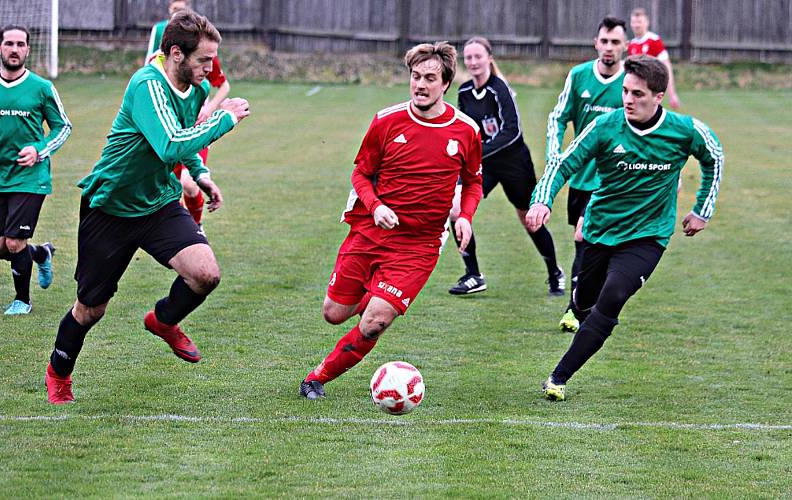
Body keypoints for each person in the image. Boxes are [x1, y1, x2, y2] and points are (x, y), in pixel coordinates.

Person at [44, 10, 250, 404]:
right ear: (176, 53)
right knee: (90, 310)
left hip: (158, 202)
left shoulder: (198, 89)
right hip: (111, 208)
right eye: (204, 60)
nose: (212, 68)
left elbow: (186, 140)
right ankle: (59, 371)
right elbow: (170, 143)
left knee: (205, 274)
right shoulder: (146, 84)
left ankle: (164, 320)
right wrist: (225, 120)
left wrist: (200, 174)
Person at [526, 55, 723, 401]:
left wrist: (701, 210)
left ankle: (558, 376)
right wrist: (543, 200)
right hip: (601, 230)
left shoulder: (684, 130)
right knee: (584, 300)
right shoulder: (606, 126)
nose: (628, 100)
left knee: (614, 295)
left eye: (638, 94)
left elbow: (714, 156)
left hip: (648, 236)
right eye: (626, 92)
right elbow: (564, 164)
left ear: (658, 96)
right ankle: (578, 308)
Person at [299, 42, 483, 400]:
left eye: (430, 78)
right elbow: (360, 174)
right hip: (370, 231)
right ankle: (374, 292)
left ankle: (316, 378)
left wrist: (466, 217)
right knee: (334, 314)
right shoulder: (387, 120)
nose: (421, 85)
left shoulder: (465, 130)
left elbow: (474, 180)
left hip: (420, 244)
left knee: (375, 322)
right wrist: (375, 205)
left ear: (445, 83)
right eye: (416, 76)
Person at [446, 36, 563, 296]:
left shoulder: (500, 90)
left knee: (529, 220)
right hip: (483, 165)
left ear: (489, 58)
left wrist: (477, 152)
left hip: (513, 163)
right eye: (469, 57)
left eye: (478, 56)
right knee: (455, 208)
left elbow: (512, 131)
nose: (474, 62)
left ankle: (554, 272)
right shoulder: (465, 92)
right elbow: (464, 129)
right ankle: (473, 274)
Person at [546, 16, 628, 332]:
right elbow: (557, 117)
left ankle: (575, 310)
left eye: (615, 42)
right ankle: (589, 306)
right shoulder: (579, 76)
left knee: (589, 242)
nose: (609, 48)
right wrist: (555, 155)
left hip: (616, 180)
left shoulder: (629, 83)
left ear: (625, 46)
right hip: (582, 179)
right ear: (596, 43)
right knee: (588, 244)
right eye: (604, 41)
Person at [0, 25, 71, 315]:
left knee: (13, 242)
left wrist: (39, 150)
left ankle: (22, 301)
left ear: (27, 49)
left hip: (30, 177)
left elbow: (63, 127)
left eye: (20, 44)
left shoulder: (41, 88)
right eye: (9, 43)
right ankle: (40, 253)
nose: (14, 49)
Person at [147, 0, 231, 228]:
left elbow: (223, 85)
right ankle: (183, 230)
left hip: (194, 130)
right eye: (174, 10)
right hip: (172, 131)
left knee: (190, 184)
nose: (177, 15)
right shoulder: (155, 66)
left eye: (182, 11)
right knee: (171, 188)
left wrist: (210, 109)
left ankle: (195, 229)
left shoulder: (202, 52)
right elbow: (148, 70)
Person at [628, 7, 680, 110]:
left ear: (646, 23)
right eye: (634, 22)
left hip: (650, 90)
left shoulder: (654, 41)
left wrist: (672, 94)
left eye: (639, 22)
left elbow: (666, 66)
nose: (636, 25)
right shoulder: (631, 44)